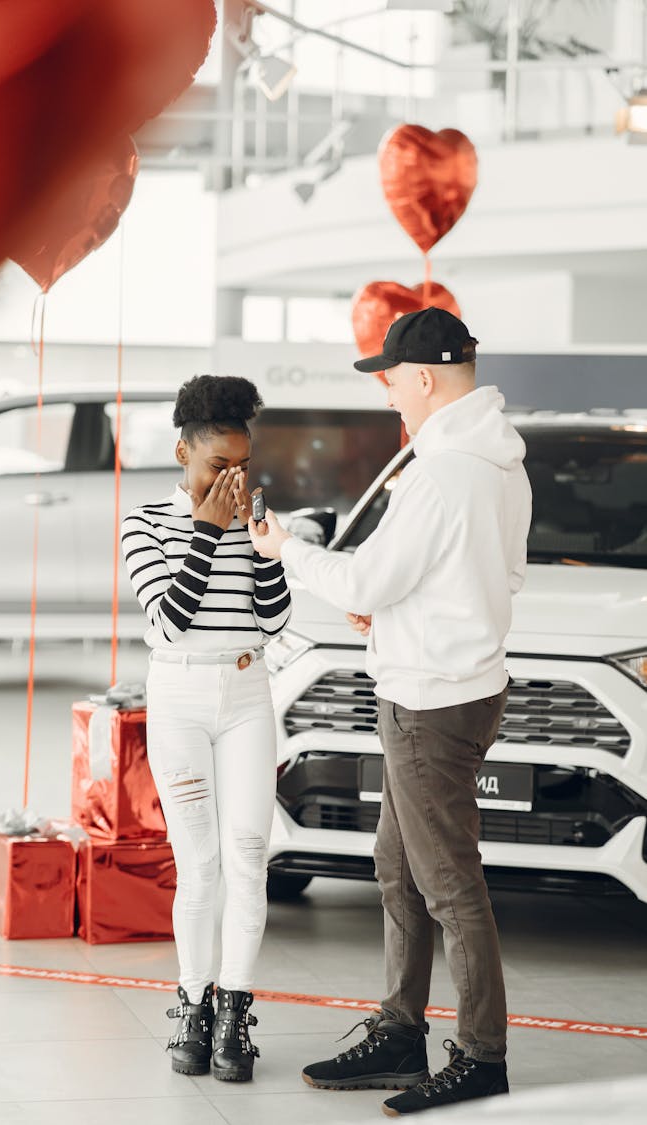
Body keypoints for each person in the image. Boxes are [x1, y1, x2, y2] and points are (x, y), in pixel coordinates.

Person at [249, 308, 532, 1116]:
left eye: (391, 381)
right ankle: (402, 1031)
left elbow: (368, 579)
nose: (388, 397)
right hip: (464, 687)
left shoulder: (444, 472)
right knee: (397, 869)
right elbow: (496, 579)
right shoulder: (504, 466)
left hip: (428, 703)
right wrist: (405, 614)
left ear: (426, 378)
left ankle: (482, 1056)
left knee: (446, 885)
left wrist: (285, 551)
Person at [121, 374, 291, 1082]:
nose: (234, 477)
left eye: (243, 464)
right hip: (180, 694)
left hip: (248, 690)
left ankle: (234, 1012)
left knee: (250, 857)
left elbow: (277, 620)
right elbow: (167, 619)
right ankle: (192, 1002)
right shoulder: (145, 522)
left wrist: (262, 548)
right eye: (220, 464)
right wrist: (208, 532)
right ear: (183, 452)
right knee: (200, 864)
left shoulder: (250, 515)